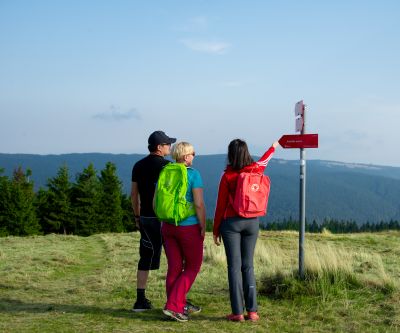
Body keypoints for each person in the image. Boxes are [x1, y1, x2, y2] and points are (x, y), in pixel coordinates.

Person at [213, 139, 280, 322]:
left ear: (230, 154)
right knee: (248, 266)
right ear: (246, 152)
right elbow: (266, 159)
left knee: (233, 268)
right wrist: (274, 146)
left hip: (231, 224)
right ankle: (253, 311)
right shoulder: (256, 169)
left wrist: (215, 229)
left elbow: (220, 205)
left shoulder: (227, 176)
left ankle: (237, 313)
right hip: (252, 222)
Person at [160, 142, 206, 322]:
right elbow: (199, 204)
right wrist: (202, 225)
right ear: (186, 156)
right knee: (193, 267)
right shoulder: (193, 174)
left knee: (174, 267)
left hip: (167, 225)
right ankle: (174, 306)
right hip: (188, 226)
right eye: (193, 153)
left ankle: (178, 304)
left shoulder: (166, 171)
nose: (194, 156)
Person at [131, 130, 176, 311]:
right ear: (159, 147)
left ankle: (140, 300)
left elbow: (134, 194)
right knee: (174, 259)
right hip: (165, 219)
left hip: (146, 218)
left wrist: (137, 216)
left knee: (145, 257)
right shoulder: (168, 167)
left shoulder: (138, 165)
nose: (170, 147)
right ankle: (175, 300)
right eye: (167, 144)